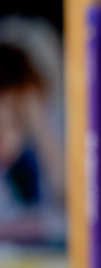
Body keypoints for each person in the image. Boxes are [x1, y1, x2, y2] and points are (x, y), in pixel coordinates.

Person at [0, 17, 64, 246]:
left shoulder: (45, 129)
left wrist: (39, 124)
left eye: (17, 120)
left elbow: (69, 197)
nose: (10, 140)